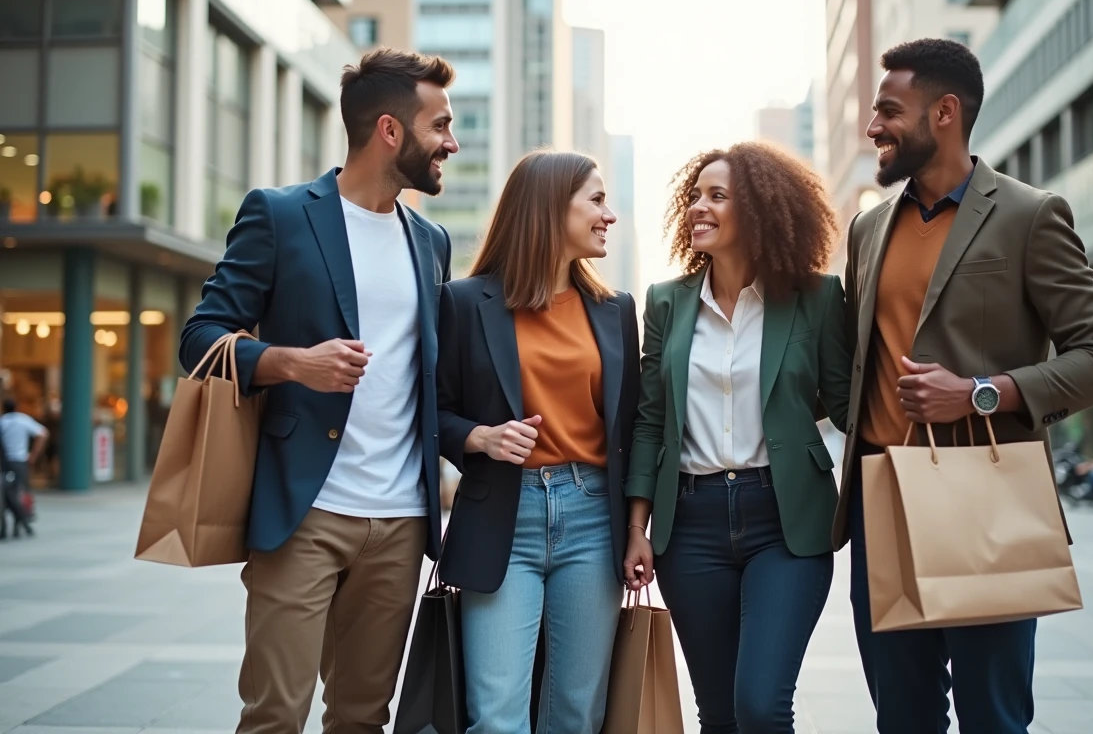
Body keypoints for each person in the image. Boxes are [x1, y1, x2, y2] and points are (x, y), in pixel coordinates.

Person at [835, 39, 1093, 733]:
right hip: (883, 498)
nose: (874, 127)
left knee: (992, 717)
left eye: (888, 111)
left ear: (944, 112)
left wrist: (980, 393)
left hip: (981, 499)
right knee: (902, 717)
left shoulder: (1030, 215)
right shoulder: (869, 230)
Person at [179, 47, 457, 733]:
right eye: (441, 125)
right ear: (391, 130)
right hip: (304, 512)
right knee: (275, 714)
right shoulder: (279, 215)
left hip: (400, 522)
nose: (452, 142)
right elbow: (200, 337)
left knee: (363, 717)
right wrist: (291, 363)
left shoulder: (432, 241)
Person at [625, 142, 852, 733]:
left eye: (717, 196)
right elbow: (651, 419)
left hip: (785, 520)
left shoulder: (817, 296)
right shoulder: (667, 302)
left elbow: (845, 403)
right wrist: (636, 529)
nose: (699, 206)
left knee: (761, 703)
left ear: (759, 212)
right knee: (719, 714)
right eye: (695, 195)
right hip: (691, 523)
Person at [435, 149, 640, 734]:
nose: (609, 214)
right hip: (504, 516)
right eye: (596, 200)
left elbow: (635, 426)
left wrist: (634, 530)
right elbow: (432, 412)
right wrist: (479, 436)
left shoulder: (615, 310)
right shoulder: (464, 303)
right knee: (498, 718)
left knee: (575, 715)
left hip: (591, 516)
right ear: (552, 208)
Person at [0, 398, 46, 540]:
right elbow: (43, 433)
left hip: (5, 462)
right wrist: (33, 455)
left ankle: (18, 523)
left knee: (8, 494)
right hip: (21, 461)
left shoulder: (2, 422)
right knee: (21, 492)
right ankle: (21, 523)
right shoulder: (23, 419)